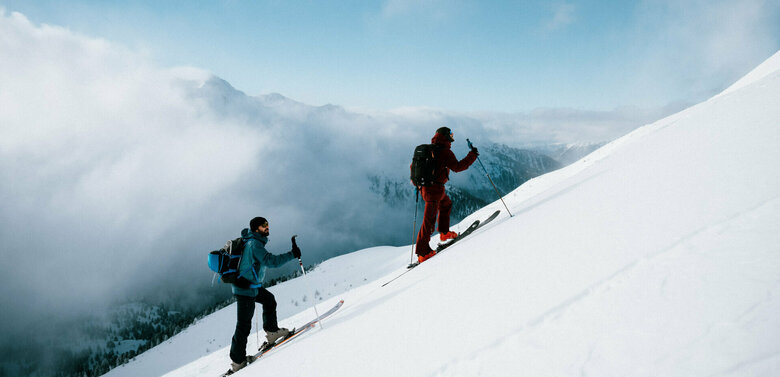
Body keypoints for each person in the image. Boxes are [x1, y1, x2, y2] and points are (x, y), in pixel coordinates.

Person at [227, 216, 301, 374]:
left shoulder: (252, 241)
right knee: (244, 325)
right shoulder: (254, 244)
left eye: (267, 224)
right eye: (263, 226)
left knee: (269, 300)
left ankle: (272, 332)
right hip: (245, 290)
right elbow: (271, 261)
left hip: (251, 286)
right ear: (255, 229)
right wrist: (292, 254)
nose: (267, 227)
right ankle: (238, 361)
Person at [414, 127, 478, 263]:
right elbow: (458, 167)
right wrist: (472, 155)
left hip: (428, 189)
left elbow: (413, 169)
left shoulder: (429, 149)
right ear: (446, 137)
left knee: (446, 204)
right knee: (428, 221)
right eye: (451, 136)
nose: (452, 139)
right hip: (434, 191)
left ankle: (444, 233)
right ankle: (422, 252)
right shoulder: (444, 152)